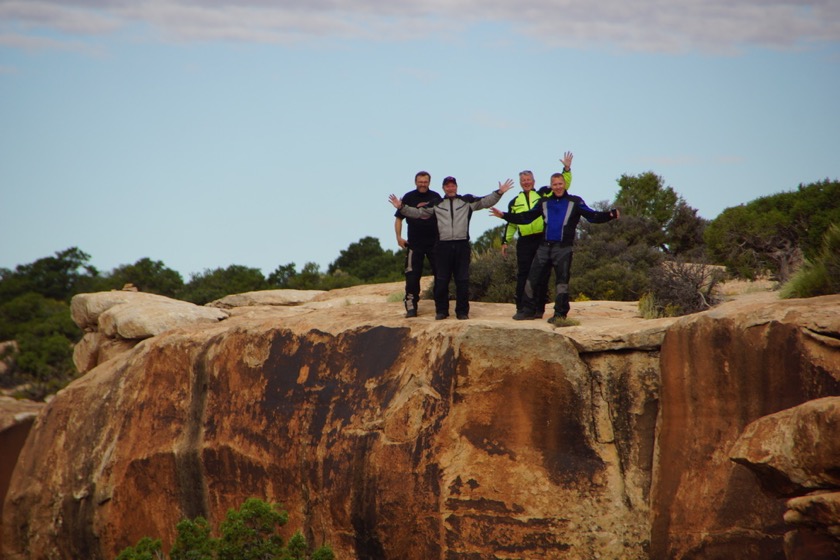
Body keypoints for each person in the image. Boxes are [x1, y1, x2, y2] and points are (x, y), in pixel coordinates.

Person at [491, 171, 619, 324]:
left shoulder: (575, 201)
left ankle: (560, 314)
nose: (558, 187)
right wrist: (504, 215)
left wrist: (610, 215)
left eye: (560, 184)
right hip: (544, 247)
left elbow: (592, 216)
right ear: (550, 186)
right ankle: (527, 311)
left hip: (563, 248)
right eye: (555, 184)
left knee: (561, 281)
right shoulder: (544, 202)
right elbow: (525, 217)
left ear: (564, 184)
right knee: (532, 278)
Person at [390, 176, 514, 320]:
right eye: (447, 186)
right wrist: (401, 207)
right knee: (442, 279)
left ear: (456, 187)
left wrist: (499, 192)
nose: (450, 188)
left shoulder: (466, 201)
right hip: (443, 246)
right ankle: (441, 311)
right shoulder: (436, 203)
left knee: (462, 279)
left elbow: (485, 201)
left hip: (462, 245)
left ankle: (462, 312)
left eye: (452, 185)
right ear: (443, 188)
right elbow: (418, 213)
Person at [501, 152, 574, 318]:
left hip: (543, 239)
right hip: (525, 241)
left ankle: (538, 309)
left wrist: (567, 169)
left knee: (542, 274)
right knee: (523, 274)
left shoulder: (543, 194)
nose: (526, 183)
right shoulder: (514, 202)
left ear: (533, 181)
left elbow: (563, 186)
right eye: (523, 181)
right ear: (520, 183)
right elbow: (512, 223)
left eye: (529, 180)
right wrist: (505, 241)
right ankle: (522, 307)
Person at [394, 171, 443, 318]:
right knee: (412, 276)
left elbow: (443, 217)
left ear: (429, 182)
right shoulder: (409, 197)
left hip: (434, 243)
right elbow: (398, 219)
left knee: (440, 275)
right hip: (414, 244)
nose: (423, 184)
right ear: (415, 182)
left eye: (425, 182)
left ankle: (441, 308)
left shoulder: (435, 197)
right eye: (420, 182)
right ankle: (411, 307)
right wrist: (398, 237)